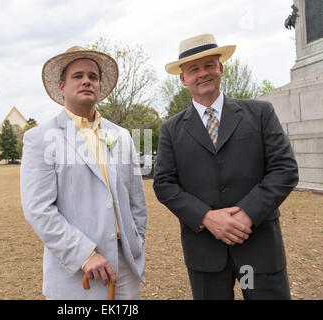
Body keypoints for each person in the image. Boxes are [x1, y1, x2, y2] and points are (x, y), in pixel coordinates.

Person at [153, 34, 299, 300]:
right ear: (183, 79)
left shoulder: (260, 113)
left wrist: (247, 214)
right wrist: (207, 218)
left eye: (209, 65)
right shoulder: (171, 130)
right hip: (205, 253)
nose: (203, 73)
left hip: (258, 248)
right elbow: (164, 184)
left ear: (221, 69)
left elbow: (284, 169)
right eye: (194, 69)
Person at [20, 46, 147, 300]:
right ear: (62, 87)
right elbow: (38, 209)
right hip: (77, 274)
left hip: (126, 270)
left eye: (93, 76)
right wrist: (85, 254)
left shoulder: (121, 136)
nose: (87, 80)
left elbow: (137, 202)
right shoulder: (39, 139)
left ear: (100, 87)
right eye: (78, 76)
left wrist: (136, 241)